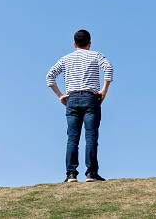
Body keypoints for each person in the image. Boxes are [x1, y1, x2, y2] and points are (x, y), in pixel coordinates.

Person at [46, 30, 113, 182]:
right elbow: (108, 69)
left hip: (72, 98)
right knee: (91, 136)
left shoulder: (65, 59)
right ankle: (91, 173)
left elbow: (50, 76)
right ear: (90, 43)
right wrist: (104, 91)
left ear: (74, 44)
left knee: (72, 138)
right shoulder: (96, 55)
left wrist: (60, 96)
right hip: (91, 98)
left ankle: (70, 174)